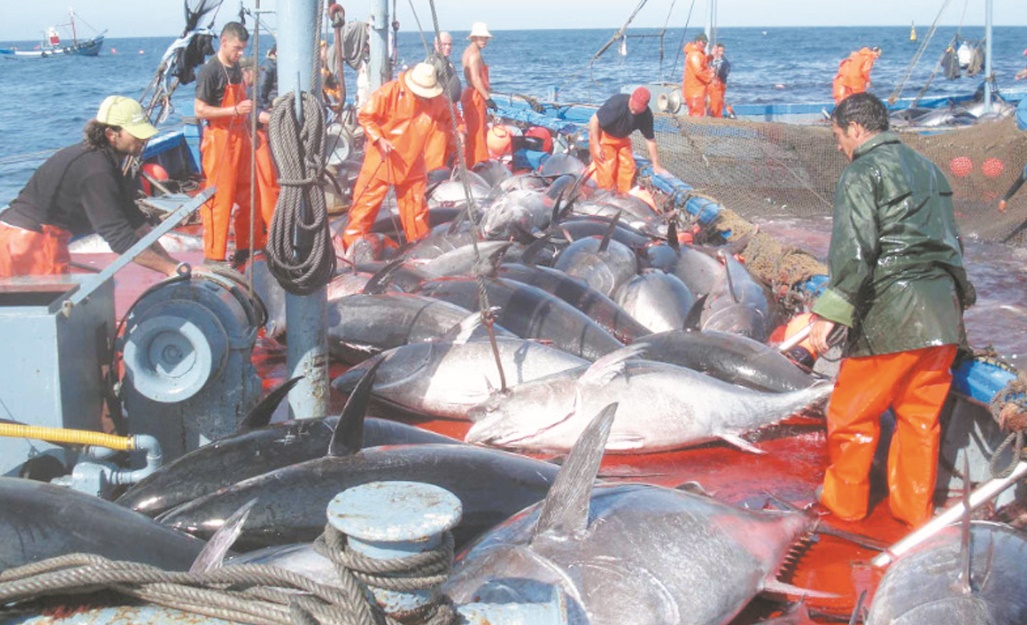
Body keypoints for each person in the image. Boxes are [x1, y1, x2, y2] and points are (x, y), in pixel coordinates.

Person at [808, 92, 976, 528]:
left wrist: (829, 312)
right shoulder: (930, 168)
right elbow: (950, 243)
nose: (840, 146)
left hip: (891, 316)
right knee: (920, 420)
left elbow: (855, 250)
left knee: (852, 416)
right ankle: (913, 512)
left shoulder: (862, 171)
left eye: (839, 136)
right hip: (942, 318)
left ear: (857, 129)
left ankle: (844, 507)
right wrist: (960, 305)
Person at [0, 96, 183, 278]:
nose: (144, 138)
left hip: (26, 235)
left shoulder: (107, 161)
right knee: (51, 302)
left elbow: (135, 222)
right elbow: (120, 239)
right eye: (136, 134)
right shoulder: (96, 171)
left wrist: (175, 265)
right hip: (29, 243)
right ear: (111, 134)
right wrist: (169, 269)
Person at [342, 63, 451, 254]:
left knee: (416, 212)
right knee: (364, 208)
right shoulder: (389, 92)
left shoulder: (437, 100)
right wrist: (378, 138)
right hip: (381, 160)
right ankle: (349, 249)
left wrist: (459, 133)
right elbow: (366, 116)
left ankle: (420, 250)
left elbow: (449, 119)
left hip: (413, 164)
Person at [194, 21, 259, 267]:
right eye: (236, 48)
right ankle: (214, 255)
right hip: (219, 139)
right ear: (223, 41)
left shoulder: (235, 69)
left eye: (242, 49)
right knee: (220, 199)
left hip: (240, 137)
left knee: (247, 194)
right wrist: (234, 109)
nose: (240, 54)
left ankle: (246, 246)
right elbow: (200, 110)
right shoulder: (210, 71)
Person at [588, 87, 668, 194]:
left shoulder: (646, 115)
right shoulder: (617, 104)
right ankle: (606, 196)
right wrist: (597, 146)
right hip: (603, 137)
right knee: (607, 169)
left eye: (638, 110)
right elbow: (594, 120)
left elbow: (650, 140)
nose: (634, 112)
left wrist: (656, 165)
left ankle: (623, 195)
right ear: (631, 99)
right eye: (633, 108)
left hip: (622, 139)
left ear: (644, 107)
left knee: (628, 167)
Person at [239, 56, 280, 250]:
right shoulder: (246, 91)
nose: (257, 77)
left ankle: (265, 231)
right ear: (247, 72)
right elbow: (253, 114)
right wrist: (278, 119)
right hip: (255, 138)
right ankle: (274, 231)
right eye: (255, 73)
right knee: (266, 187)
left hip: (252, 137)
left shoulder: (245, 90)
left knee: (261, 187)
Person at [424, 31, 462, 172]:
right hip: (438, 116)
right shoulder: (433, 62)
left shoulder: (447, 62)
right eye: (444, 44)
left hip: (449, 113)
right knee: (436, 152)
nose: (447, 47)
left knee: (450, 149)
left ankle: (447, 170)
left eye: (449, 44)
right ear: (436, 45)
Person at [461, 22, 497, 168]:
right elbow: (476, 79)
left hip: (471, 94)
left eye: (485, 38)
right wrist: (488, 99)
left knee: (474, 132)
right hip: (475, 96)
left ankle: (472, 163)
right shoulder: (475, 55)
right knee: (478, 132)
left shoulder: (468, 51)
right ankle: (478, 163)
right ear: (474, 37)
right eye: (481, 37)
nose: (484, 40)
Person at [682, 33, 713, 117]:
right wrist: (710, 77)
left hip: (693, 92)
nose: (705, 45)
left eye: (706, 43)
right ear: (697, 41)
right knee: (697, 118)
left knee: (693, 116)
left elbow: (701, 62)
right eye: (703, 42)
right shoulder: (695, 54)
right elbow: (698, 71)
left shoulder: (695, 53)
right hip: (696, 92)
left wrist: (710, 57)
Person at [708, 43, 731, 118]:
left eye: (722, 51)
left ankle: (717, 118)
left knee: (717, 104)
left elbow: (725, 73)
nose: (721, 52)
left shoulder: (725, 62)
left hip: (719, 85)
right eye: (719, 50)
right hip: (709, 85)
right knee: (710, 103)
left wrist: (716, 72)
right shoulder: (711, 60)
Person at [258, 44, 277, 112]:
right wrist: (266, 105)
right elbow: (262, 86)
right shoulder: (268, 66)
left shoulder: (269, 65)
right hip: (273, 100)